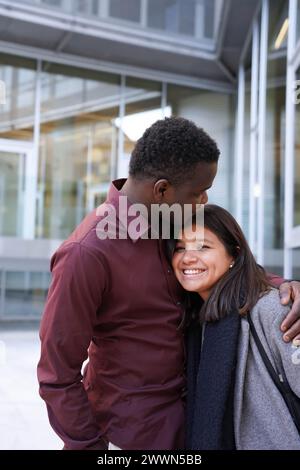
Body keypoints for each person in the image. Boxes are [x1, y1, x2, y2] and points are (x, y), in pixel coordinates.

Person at [37, 117, 300, 451]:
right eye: (198, 193)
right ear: (161, 190)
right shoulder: (86, 253)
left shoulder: (171, 221)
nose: (204, 201)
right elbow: (56, 374)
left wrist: (282, 286)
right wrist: (90, 447)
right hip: (129, 437)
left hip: (193, 426)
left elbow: (222, 262)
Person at [171, 204, 300, 450]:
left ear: (234, 254)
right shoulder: (196, 321)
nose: (187, 257)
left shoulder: (273, 310)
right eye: (179, 248)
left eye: (203, 247)